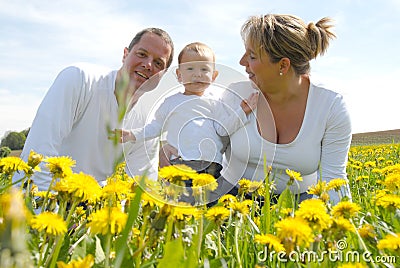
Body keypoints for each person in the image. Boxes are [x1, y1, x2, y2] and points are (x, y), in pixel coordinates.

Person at [162, 14, 352, 205]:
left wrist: (340, 227)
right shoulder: (236, 94)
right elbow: (208, 137)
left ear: (283, 65)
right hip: (232, 198)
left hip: (296, 205)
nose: (242, 61)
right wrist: (166, 145)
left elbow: (334, 178)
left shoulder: (330, 107)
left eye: (252, 56)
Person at [13, 28, 174, 191]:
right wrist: (48, 210)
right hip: (37, 193)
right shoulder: (79, 79)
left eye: (158, 63)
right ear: (125, 54)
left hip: (89, 203)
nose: (148, 65)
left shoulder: (150, 121)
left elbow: (141, 186)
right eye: (142, 54)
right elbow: (39, 153)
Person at [116, 42, 258, 202]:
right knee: (181, 203)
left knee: (216, 201)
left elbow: (223, 129)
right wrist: (132, 134)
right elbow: (155, 127)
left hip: (211, 166)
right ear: (179, 74)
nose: (197, 75)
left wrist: (243, 112)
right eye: (190, 69)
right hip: (181, 164)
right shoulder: (170, 102)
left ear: (214, 76)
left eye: (204, 69)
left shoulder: (216, 103)